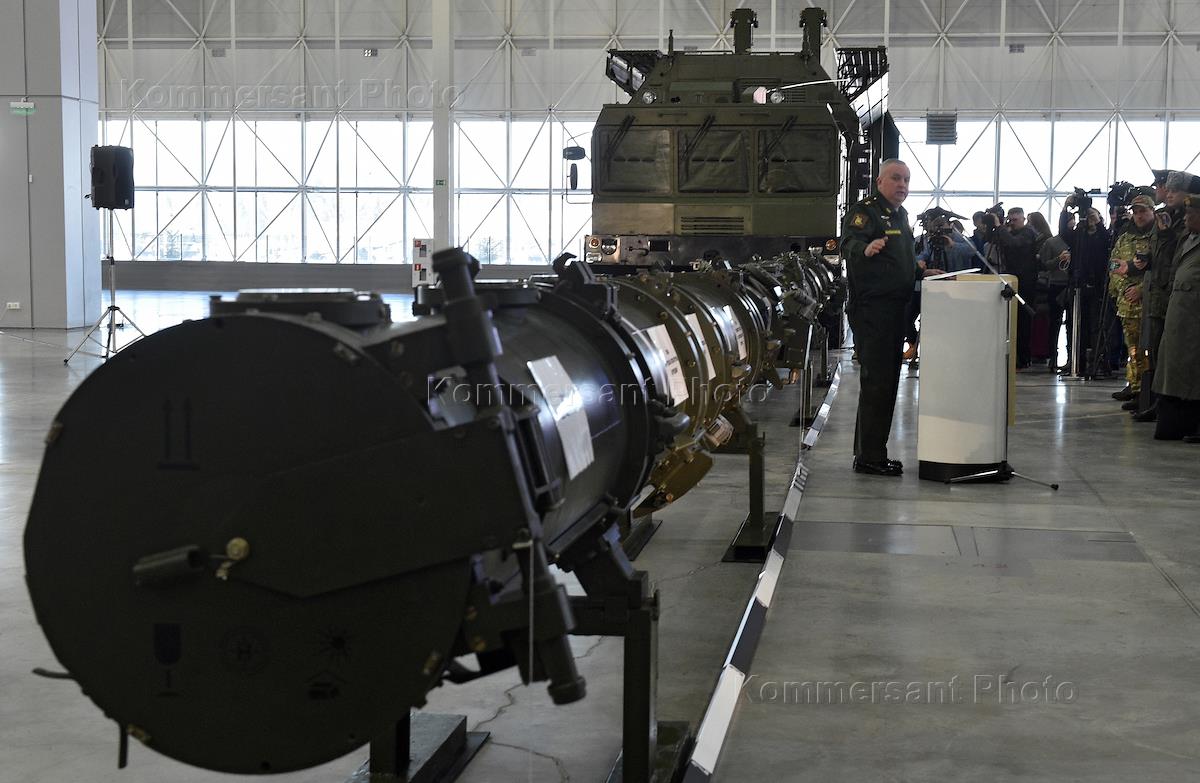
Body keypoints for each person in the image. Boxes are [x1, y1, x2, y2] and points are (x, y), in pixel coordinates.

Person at [841, 160, 942, 477]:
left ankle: (868, 452)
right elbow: (848, 242)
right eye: (896, 178)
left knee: (884, 383)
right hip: (874, 310)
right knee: (878, 384)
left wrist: (922, 272)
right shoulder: (866, 212)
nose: (902, 185)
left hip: (896, 308)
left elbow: (901, 260)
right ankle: (870, 457)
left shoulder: (901, 215)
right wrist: (865, 248)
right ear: (879, 181)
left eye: (907, 180)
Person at [1135, 171, 1200, 420]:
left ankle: (1168, 403)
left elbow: (1175, 257)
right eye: (1168, 189)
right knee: (1158, 351)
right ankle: (1159, 399)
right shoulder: (1168, 218)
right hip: (1162, 292)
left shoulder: (1184, 222)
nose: (1168, 194)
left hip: (1175, 295)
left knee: (1175, 354)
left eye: (1174, 190)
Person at [1152, 192, 1200, 442]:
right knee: (1173, 372)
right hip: (1179, 316)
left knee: (1192, 374)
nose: (1187, 218)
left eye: (1192, 214)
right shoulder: (1186, 238)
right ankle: (1175, 422)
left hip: (1193, 319)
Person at [1107, 194, 1155, 406]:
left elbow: (1162, 270)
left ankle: (1146, 392)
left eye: (1143, 211)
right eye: (1135, 212)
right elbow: (1112, 266)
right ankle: (1135, 388)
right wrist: (1124, 289)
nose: (1139, 216)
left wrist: (1141, 290)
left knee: (1148, 352)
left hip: (1150, 304)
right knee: (1133, 350)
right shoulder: (1125, 238)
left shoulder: (1157, 238)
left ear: (1152, 211)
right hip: (1127, 305)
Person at [1059, 200, 1109, 375]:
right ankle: (1075, 361)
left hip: (1096, 285)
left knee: (1095, 326)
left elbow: (1106, 241)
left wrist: (1098, 223)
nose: (1089, 220)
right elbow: (1064, 232)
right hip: (1077, 285)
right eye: (1087, 216)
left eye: (1092, 216)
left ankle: (1096, 363)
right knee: (1074, 325)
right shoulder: (1078, 235)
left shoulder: (1102, 235)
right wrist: (1065, 209)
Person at [987, 207, 1040, 368]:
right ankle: (1013, 355)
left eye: (1015, 220)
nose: (1011, 223)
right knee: (1011, 320)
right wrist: (995, 227)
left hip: (1025, 281)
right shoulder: (1009, 232)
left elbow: (1014, 244)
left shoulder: (1028, 233)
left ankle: (1023, 357)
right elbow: (991, 241)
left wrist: (1000, 226)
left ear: (1023, 219)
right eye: (1009, 220)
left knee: (1023, 321)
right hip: (1011, 279)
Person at [1031, 211, 1071, 369]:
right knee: (1054, 322)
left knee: (1071, 323)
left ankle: (1071, 357)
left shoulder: (1078, 240)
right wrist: (1058, 259)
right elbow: (1044, 264)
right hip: (1056, 284)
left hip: (1072, 285)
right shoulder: (1051, 242)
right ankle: (1053, 356)